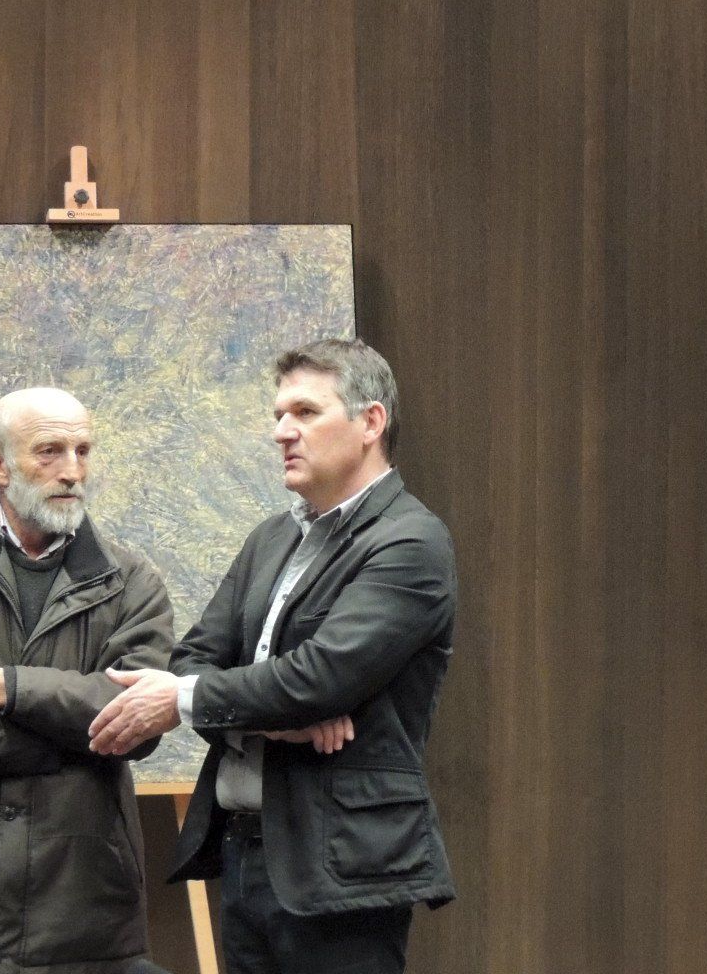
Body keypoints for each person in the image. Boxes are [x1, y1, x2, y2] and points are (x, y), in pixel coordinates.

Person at [89, 339, 457, 974]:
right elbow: (194, 658)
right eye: (279, 415)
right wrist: (276, 719)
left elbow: (318, 679)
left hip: (343, 866)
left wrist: (191, 701)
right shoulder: (272, 537)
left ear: (371, 422)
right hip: (245, 853)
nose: (282, 432)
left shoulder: (410, 542)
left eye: (305, 412)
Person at [0, 387, 174, 974]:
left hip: (83, 910)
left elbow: (140, 723)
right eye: (49, 451)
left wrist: (11, 687)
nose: (72, 471)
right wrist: (77, 741)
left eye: (83, 451)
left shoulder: (133, 582)